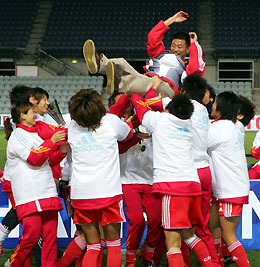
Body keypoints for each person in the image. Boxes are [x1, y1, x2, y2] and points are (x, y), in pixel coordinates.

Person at [131, 91, 213, 267]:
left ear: (169, 110)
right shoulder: (188, 123)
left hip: (173, 186)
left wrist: (137, 92)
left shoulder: (161, 120)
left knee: (172, 241)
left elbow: (140, 107)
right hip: (192, 184)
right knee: (190, 235)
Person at [68, 89, 133, 267]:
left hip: (81, 195)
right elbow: (128, 134)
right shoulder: (110, 122)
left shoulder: (71, 127)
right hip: (108, 193)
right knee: (113, 246)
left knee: (93, 246)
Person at [83, 11, 205, 97]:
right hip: (148, 79)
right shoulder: (160, 54)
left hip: (166, 90)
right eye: (173, 45)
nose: (175, 49)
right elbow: (153, 37)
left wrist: (194, 44)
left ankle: (118, 86)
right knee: (121, 62)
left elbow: (195, 68)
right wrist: (172, 20)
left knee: (143, 81)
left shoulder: (187, 65)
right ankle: (99, 65)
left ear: (187, 49)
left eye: (180, 47)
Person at [5, 101, 67, 266]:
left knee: (49, 241)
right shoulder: (17, 135)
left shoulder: (37, 134)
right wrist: (52, 141)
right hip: (29, 195)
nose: (36, 114)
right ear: (22, 115)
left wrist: (61, 152)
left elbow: (47, 161)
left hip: (46, 192)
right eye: (32, 112)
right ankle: (15, 264)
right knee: (30, 238)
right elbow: (34, 159)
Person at [207, 92, 251, 267]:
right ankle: (217, 262)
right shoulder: (233, 126)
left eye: (216, 102)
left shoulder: (221, 128)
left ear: (222, 107)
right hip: (226, 187)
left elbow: (197, 144)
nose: (213, 105)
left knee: (228, 234)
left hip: (229, 189)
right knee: (214, 228)